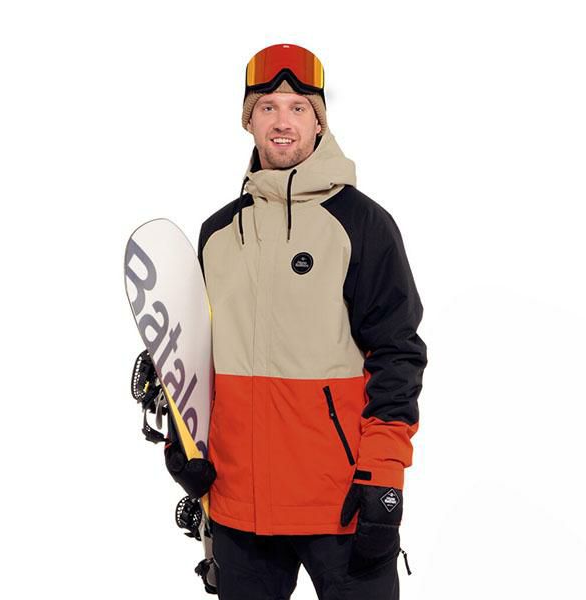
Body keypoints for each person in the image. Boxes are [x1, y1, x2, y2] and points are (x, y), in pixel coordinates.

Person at [192, 43, 428, 599]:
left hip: (341, 504)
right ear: (248, 120)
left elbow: (397, 354)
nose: (283, 121)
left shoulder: (362, 225)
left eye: (299, 107)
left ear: (319, 122)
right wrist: (185, 448)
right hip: (239, 508)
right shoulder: (217, 235)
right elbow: (193, 361)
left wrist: (384, 475)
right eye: (267, 107)